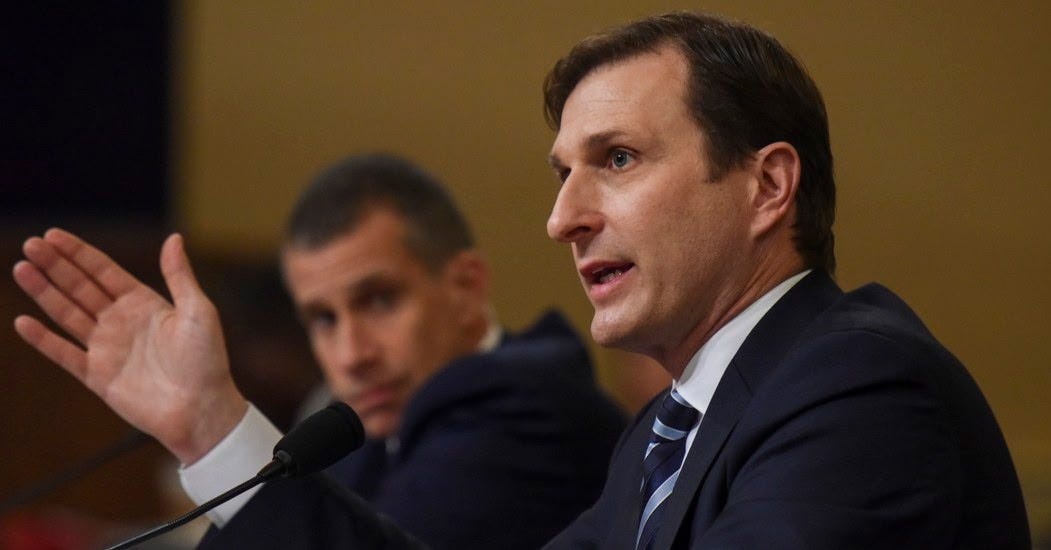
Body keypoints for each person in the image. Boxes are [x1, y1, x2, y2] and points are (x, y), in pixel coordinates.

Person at [12, 10, 1030, 549]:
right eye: (561, 174)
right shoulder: (667, 432)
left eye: (617, 159)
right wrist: (209, 426)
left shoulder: (854, 388)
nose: (562, 218)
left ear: (766, 185)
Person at [12, 153, 626, 550]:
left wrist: (209, 425)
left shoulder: (533, 411)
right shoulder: (361, 433)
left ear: (465, 287)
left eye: (379, 301)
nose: (351, 354)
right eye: (323, 320)